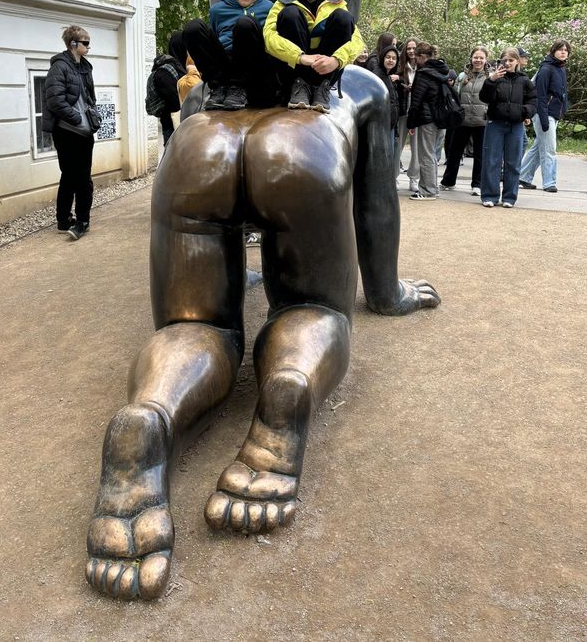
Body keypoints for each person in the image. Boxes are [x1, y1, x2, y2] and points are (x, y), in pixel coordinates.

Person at [84, 65, 440, 601]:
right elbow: (375, 203)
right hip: (304, 150)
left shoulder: (209, 84)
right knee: (311, 307)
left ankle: (151, 412)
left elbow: (227, 190)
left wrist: (234, 274)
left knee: (195, 323)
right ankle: (288, 383)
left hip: (199, 148)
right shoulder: (363, 84)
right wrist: (389, 294)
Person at [263, 0, 364, 113]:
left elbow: (357, 41)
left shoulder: (337, 4)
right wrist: (300, 57)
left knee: (343, 18)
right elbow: (269, 37)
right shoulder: (283, 3)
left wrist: (336, 60)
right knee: (290, 14)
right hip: (294, 68)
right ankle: (299, 85)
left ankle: (321, 87)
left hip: (326, 69)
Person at [183, 0, 276, 111]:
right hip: (225, 63)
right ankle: (218, 87)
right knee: (194, 28)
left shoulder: (269, 8)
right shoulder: (217, 10)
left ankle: (240, 87)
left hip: (254, 65)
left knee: (245, 24)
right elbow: (212, 41)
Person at [42, 25, 96, 240]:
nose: (89, 46)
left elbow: (89, 98)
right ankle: (80, 221)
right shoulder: (59, 67)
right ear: (73, 43)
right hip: (67, 132)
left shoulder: (85, 67)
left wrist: (92, 117)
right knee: (76, 177)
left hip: (84, 132)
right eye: (85, 42)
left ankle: (67, 219)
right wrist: (77, 118)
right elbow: (55, 100)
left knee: (76, 176)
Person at [478, 48, 537, 208]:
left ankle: (509, 197)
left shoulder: (525, 81)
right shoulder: (495, 78)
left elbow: (533, 100)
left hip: (515, 125)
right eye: (505, 60)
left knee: (513, 162)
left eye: (511, 60)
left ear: (517, 61)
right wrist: (491, 81)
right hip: (495, 123)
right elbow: (484, 97)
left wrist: (525, 112)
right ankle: (489, 196)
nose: (508, 63)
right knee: (491, 160)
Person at [519, 39, 570, 193]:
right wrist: (543, 118)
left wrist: (563, 110)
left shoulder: (561, 68)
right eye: (560, 49)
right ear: (553, 51)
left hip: (554, 114)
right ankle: (549, 182)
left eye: (566, 50)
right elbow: (540, 96)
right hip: (544, 114)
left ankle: (522, 177)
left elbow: (562, 93)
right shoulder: (546, 69)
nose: (563, 52)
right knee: (549, 149)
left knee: (539, 146)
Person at [439, 46, 490, 195]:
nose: (478, 60)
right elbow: (455, 95)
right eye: (476, 57)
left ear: (486, 60)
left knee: (480, 155)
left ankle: (477, 184)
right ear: (471, 58)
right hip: (463, 120)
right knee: (454, 152)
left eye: (481, 58)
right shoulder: (462, 76)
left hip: (482, 121)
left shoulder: (490, 77)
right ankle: (448, 181)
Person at [405, 42, 450, 200]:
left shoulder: (423, 73)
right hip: (439, 117)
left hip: (426, 118)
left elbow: (416, 101)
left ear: (422, 56)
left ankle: (428, 190)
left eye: (416, 57)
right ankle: (431, 187)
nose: (415, 60)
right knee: (431, 154)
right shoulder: (441, 70)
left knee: (426, 155)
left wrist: (411, 123)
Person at [395, 39, 420, 193]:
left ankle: (414, 178)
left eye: (414, 48)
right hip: (402, 111)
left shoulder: (423, 67)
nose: (411, 51)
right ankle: (394, 177)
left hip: (417, 113)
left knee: (416, 148)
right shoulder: (400, 67)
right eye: (409, 48)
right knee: (397, 146)